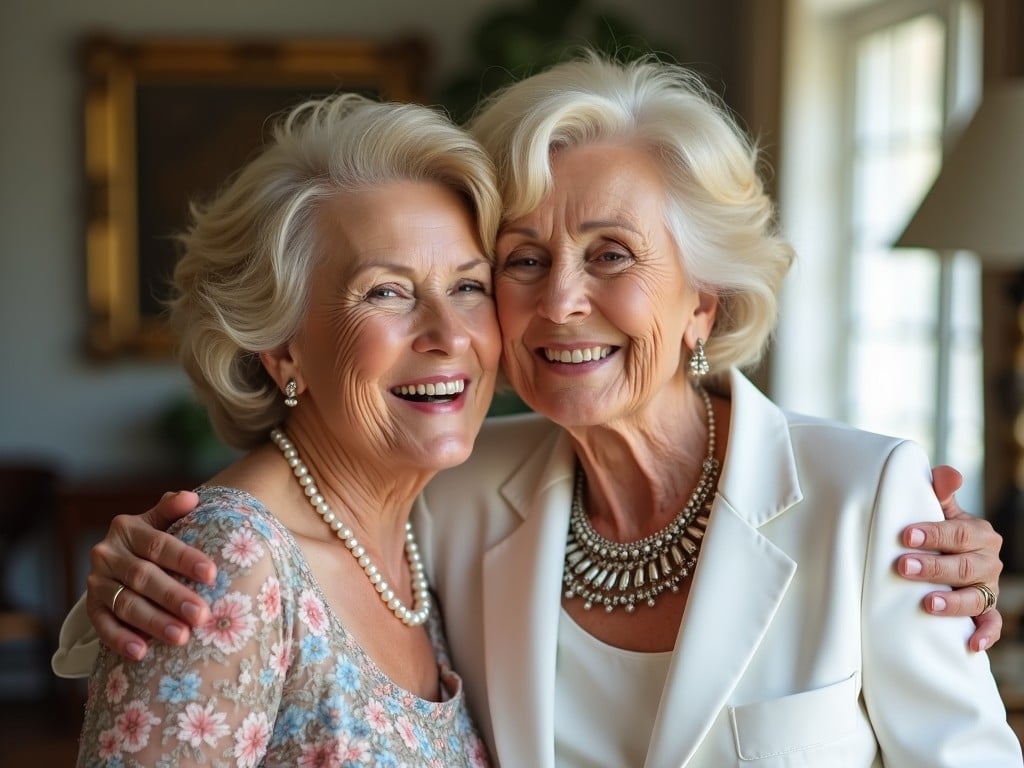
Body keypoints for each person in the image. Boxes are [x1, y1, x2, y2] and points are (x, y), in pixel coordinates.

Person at [56, 55, 1016, 766]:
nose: (559, 301)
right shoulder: (455, 494)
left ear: (703, 302)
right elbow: (257, 581)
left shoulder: (865, 501)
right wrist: (119, 595)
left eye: (611, 254)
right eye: (520, 261)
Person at [71, 92, 501, 766]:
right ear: (282, 348)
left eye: (470, 287)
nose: (450, 335)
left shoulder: (427, 534)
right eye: (387, 291)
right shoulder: (230, 561)